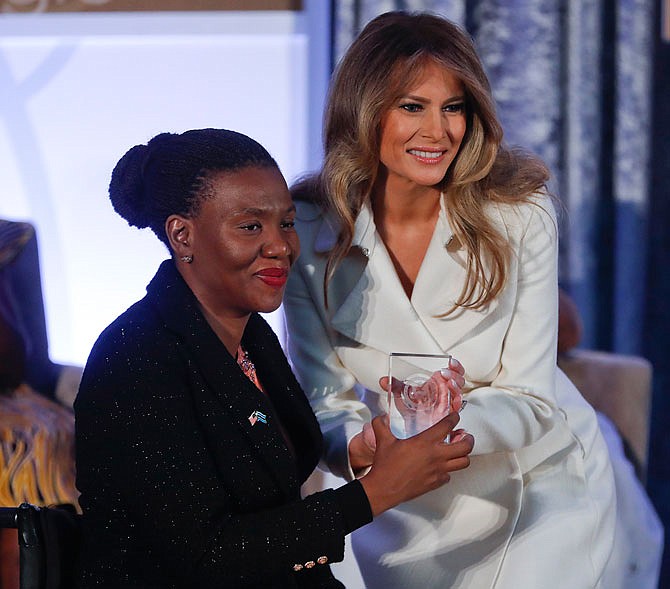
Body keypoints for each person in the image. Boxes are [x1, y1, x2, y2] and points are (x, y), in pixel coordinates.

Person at [283, 11, 617, 589]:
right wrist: (363, 448)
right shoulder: (308, 228)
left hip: (537, 489)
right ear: (363, 111)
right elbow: (322, 400)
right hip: (399, 504)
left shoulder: (520, 213)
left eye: (453, 107)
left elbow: (532, 399)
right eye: (412, 106)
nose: (438, 132)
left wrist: (434, 423)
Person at [73, 128, 474, 588]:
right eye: (250, 227)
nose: (281, 246)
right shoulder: (137, 357)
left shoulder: (252, 336)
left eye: (286, 223)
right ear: (182, 234)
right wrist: (374, 493)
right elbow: (207, 558)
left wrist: (364, 448)